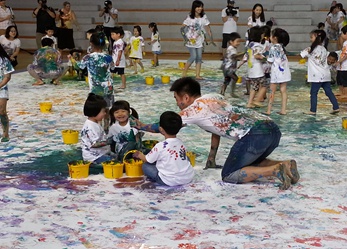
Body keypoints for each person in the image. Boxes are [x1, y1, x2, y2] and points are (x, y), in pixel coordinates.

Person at [135, 77, 299, 190]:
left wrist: (142, 126)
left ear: (185, 97)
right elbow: (216, 130)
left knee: (229, 174)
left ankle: (275, 170)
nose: (177, 103)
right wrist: (211, 157)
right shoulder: (214, 97)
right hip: (271, 128)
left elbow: (163, 126)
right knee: (249, 160)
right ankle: (285, 164)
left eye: (176, 99)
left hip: (255, 134)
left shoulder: (194, 109)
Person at [134, 111, 194, 187]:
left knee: (145, 166)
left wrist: (139, 155)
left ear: (161, 130)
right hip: (187, 178)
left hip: (168, 181)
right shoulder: (181, 143)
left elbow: (147, 159)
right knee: (185, 157)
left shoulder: (160, 146)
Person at [69, 32, 114, 131]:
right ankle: (106, 129)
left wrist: (72, 59)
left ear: (91, 44)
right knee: (106, 109)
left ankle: (96, 129)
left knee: (95, 111)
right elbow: (113, 68)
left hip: (96, 89)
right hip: (108, 87)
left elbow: (79, 66)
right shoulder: (108, 57)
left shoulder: (88, 57)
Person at [300, 29, 339, 115]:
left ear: (317, 38)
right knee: (328, 92)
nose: (310, 39)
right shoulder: (324, 49)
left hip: (316, 76)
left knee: (313, 93)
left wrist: (309, 51)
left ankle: (312, 110)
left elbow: (302, 54)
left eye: (312, 37)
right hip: (326, 75)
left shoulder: (311, 49)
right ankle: (336, 107)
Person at [181, 0, 213, 80]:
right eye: (198, 7)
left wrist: (211, 37)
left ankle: (197, 75)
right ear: (194, 8)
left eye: (201, 7)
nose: (200, 8)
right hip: (191, 41)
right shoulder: (189, 17)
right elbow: (182, 28)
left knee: (199, 58)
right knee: (193, 56)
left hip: (199, 41)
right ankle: (184, 73)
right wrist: (185, 38)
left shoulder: (204, 16)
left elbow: (207, 27)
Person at [263, 28, 291, 115]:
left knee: (272, 91)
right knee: (283, 90)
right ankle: (283, 110)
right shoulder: (282, 47)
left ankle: (268, 110)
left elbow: (270, 61)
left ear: (274, 38)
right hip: (285, 72)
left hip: (276, 73)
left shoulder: (273, 48)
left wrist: (264, 57)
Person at [81, 93, 113, 164]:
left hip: (99, 154)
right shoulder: (90, 127)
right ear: (94, 112)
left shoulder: (94, 123)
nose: (105, 114)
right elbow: (94, 144)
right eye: (103, 111)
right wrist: (109, 141)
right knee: (116, 162)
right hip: (94, 158)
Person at [220, 32, 243, 97]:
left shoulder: (233, 48)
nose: (238, 43)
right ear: (231, 41)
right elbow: (234, 56)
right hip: (228, 68)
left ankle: (222, 92)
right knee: (235, 78)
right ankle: (231, 92)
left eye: (239, 41)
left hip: (228, 68)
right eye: (237, 41)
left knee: (227, 80)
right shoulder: (231, 48)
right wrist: (243, 53)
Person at [0, 43, 14, 142]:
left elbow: (7, 77)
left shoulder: (4, 60)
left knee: (2, 111)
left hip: (2, 88)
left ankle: (5, 133)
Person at [335, 25, 347, 99]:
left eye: (342, 33)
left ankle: (345, 93)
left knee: (345, 81)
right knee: (339, 80)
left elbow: (346, 55)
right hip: (341, 67)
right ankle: (341, 92)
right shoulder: (345, 43)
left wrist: (339, 61)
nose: (341, 35)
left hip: (345, 66)